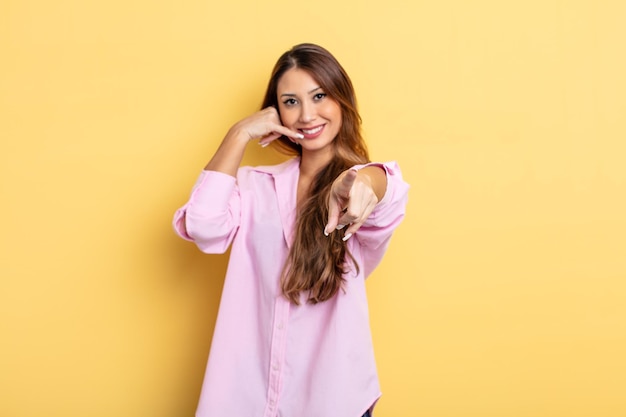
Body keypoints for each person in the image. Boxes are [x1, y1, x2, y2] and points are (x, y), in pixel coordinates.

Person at [173, 43, 409, 417]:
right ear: (276, 110)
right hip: (245, 397)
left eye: (319, 96)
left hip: (331, 400)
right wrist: (239, 133)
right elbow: (203, 226)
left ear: (341, 100)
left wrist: (366, 180)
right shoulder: (254, 185)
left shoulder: (356, 186)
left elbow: (388, 191)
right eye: (291, 101)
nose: (307, 114)